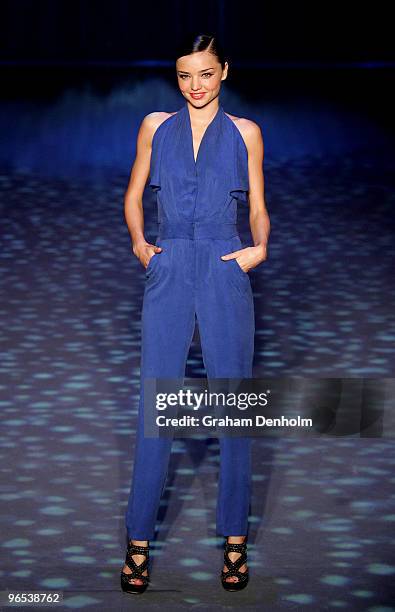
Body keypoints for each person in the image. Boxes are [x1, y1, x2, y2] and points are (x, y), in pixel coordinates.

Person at [120, 33, 270, 594]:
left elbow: (258, 206)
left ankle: (235, 541)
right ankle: (138, 542)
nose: (196, 85)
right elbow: (134, 193)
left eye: (206, 73)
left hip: (225, 263)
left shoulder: (246, 133)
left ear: (224, 72)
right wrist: (140, 243)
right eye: (185, 75)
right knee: (156, 403)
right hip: (171, 262)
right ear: (177, 77)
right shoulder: (156, 126)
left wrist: (258, 248)